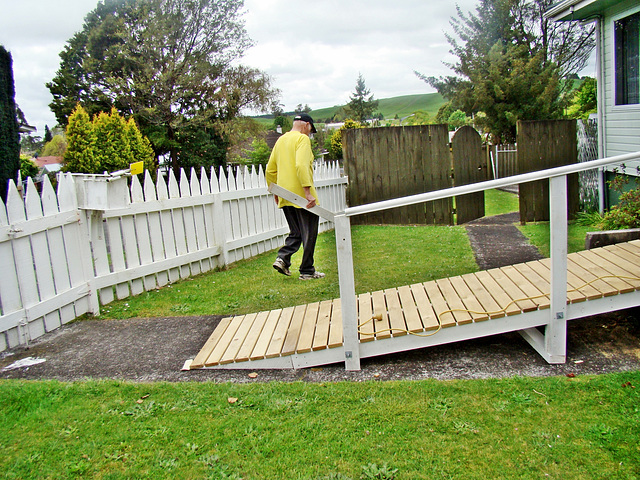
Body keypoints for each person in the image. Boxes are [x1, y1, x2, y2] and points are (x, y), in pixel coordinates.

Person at [266, 113, 325, 280]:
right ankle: (307, 271)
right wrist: (307, 192)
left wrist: (276, 191)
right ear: (306, 125)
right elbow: (300, 165)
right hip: (301, 196)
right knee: (310, 233)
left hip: (285, 194)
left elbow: (270, 169)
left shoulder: (281, 140)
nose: (310, 134)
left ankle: (282, 258)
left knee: (296, 232)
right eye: (311, 130)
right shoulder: (302, 139)